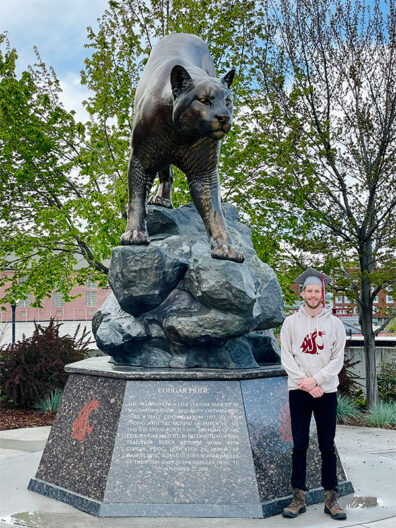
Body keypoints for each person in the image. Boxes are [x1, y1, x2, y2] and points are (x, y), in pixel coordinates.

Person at [280, 268, 347, 520]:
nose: (313, 294)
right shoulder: (290, 322)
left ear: (323, 293)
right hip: (299, 391)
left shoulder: (335, 324)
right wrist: (307, 384)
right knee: (299, 445)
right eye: (309, 291)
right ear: (302, 292)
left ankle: (331, 499)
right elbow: (287, 358)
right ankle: (297, 497)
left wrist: (317, 380)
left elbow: (336, 360)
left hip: (326, 392)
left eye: (317, 291)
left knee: (327, 445)